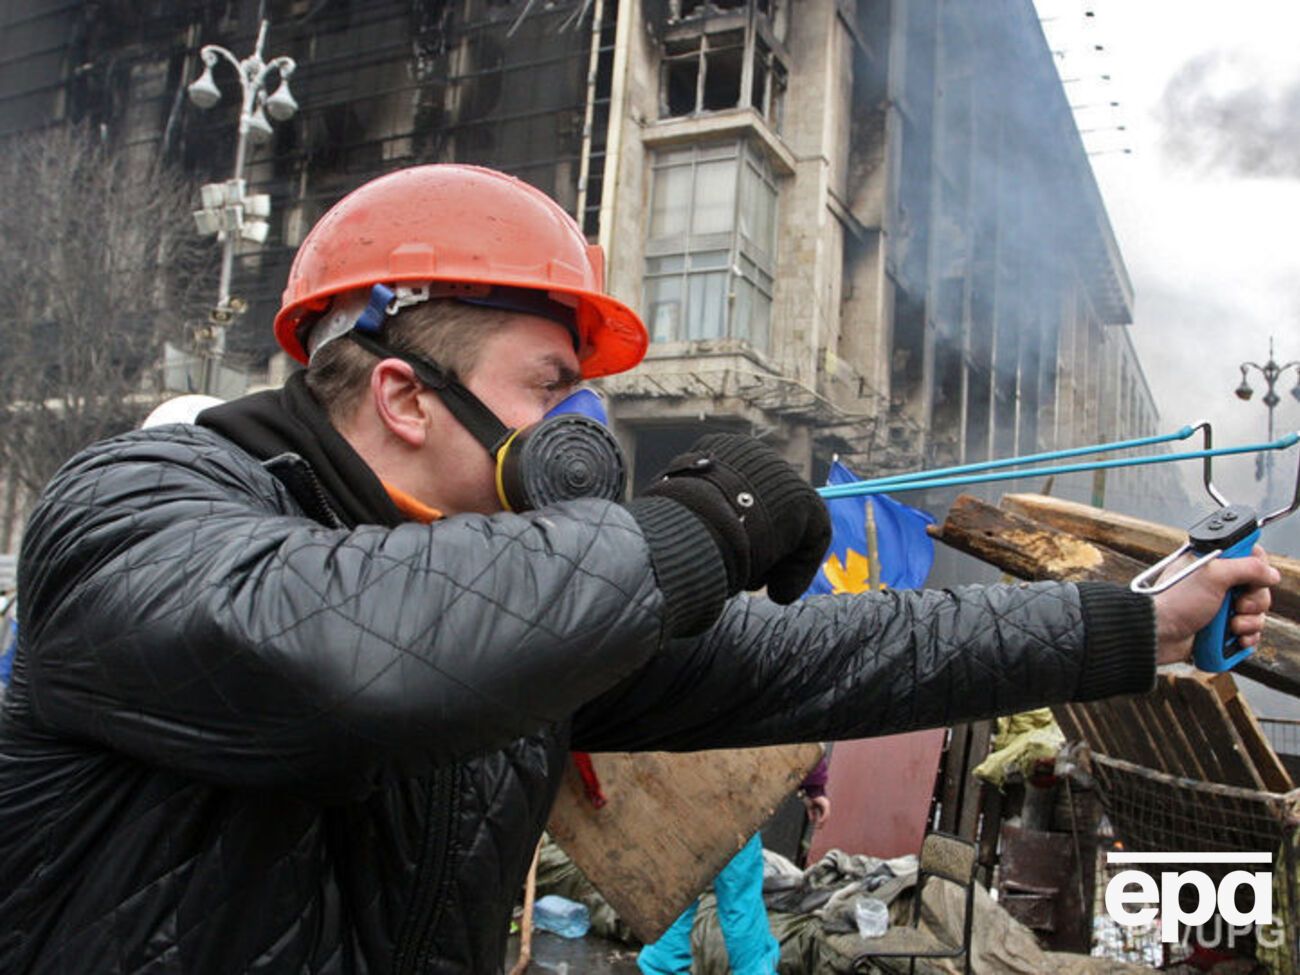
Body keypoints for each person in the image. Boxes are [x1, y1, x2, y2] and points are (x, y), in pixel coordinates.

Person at [0, 164, 1277, 975]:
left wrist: (1132, 623)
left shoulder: (505, 599)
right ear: (401, 394)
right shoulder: (135, 510)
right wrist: (693, 534)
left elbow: (844, 651)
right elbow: (342, 653)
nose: (581, 434)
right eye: (550, 389)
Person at [637, 757, 831, 975]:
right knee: (741, 901)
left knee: (674, 898)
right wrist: (813, 787)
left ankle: (662, 970)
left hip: (676, 794)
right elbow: (794, 727)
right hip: (733, 797)